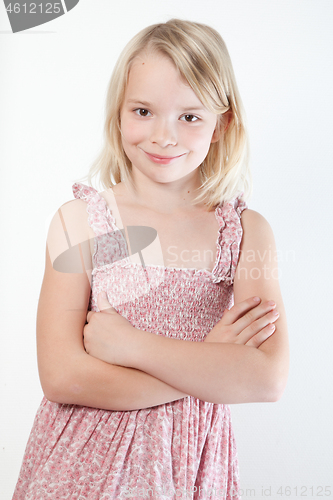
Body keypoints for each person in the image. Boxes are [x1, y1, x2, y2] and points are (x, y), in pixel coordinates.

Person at [12, 18, 289, 500]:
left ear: (222, 124)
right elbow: (61, 375)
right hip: (81, 462)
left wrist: (133, 346)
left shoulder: (245, 233)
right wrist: (208, 365)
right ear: (117, 114)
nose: (164, 136)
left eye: (190, 116)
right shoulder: (82, 223)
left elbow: (264, 378)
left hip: (190, 459)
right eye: (143, 111)